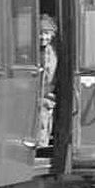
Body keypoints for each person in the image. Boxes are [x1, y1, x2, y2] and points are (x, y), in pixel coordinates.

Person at [36, 14, 58, 149]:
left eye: (46, 34)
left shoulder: (53, 53)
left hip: (46, 94)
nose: (43, 37)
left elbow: (50, 77)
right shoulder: (34, 52)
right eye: (40, 34)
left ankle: (42, 144)